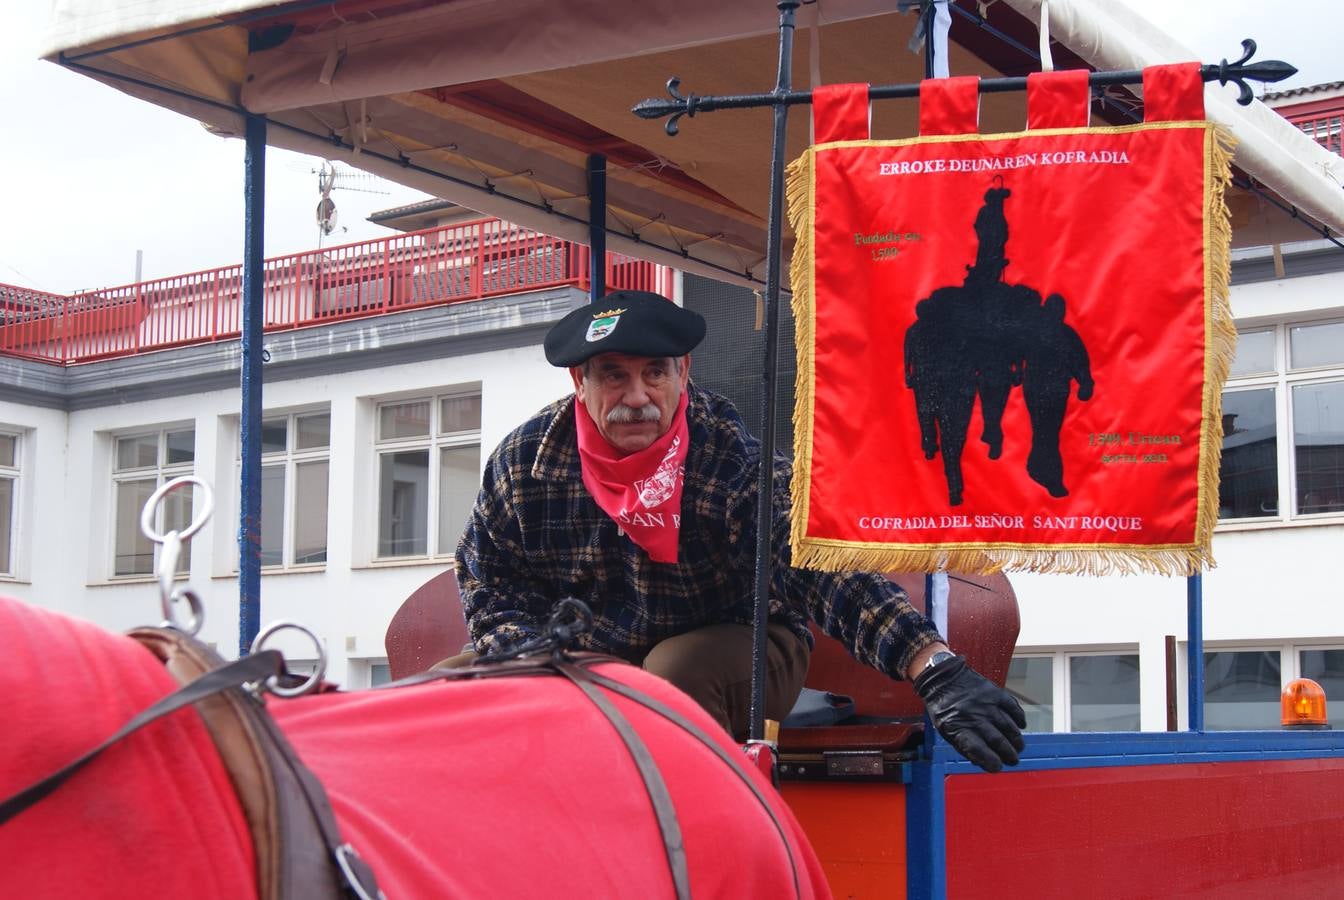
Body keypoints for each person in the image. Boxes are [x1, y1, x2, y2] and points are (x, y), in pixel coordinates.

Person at [454, 290, 1025, 772]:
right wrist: (539, 660)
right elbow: (491, 585)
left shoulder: (724, 455)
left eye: (654, 373)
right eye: (613, 376)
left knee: (673, 673)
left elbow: (817, 569)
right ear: (580, 381)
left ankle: (688, 856)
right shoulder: (527, 462)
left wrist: (930, 664)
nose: (636, 398)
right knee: (447, 689)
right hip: (589, 656)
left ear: (683, 374)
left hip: (745, 645)